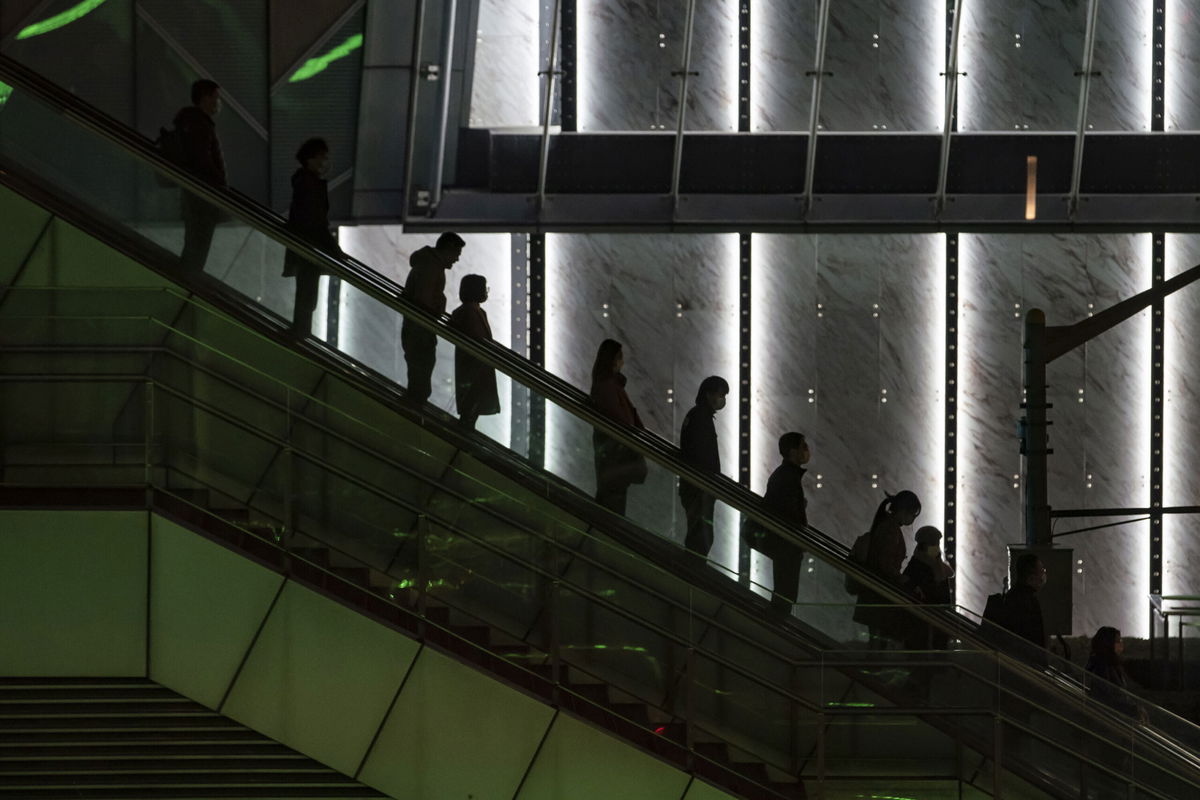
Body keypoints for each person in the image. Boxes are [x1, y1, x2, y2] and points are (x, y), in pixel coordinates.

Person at [744, 432, 810, 614]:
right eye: (803, 446)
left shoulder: (785, 475)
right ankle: (777, 624)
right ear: (792, 451)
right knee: (785, 593)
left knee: (783, 591)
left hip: (784, 543)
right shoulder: (788, 477)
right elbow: (786, 513)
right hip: (786, 544)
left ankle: (778, 620)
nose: (807, 451)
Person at [283, 137, 341, 336]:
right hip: (309, 247)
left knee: (305, 293)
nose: (325, 162)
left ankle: (300, 331)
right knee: (308, 294)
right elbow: (317, 221)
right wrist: (336, 251)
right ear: (311, 159)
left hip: (304, 246)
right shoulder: (311, 185)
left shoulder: (303, 182)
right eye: (322, 157)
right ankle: (301, 333)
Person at [402, 232, 465, 403]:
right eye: (456, 254)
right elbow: (425, 302)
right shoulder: (431, 268)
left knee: (418, 378)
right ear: (448, 249)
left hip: (415, 329)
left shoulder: (427, 263)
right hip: (420, 332)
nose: (457, 259)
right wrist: (440, 304)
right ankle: (414, 417)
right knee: (420, 381)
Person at [852, 491, 921, 645]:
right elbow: (886, 564)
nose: (912, 520)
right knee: (879, 639)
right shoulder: (891, 530)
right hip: (880, 592)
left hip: (874, 590)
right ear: (903, 511)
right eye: (912, 515)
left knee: (876, 638)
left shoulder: (884, 524)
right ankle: (875, 666)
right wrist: (901, 578)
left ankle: (873, 665)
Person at [174, 79, 226, 272]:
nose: (218, 102)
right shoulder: (200, 125)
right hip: (203, 199)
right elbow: (203, 161)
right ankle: (189, 286)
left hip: (194, 198)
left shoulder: (188, 123)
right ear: (205, 98)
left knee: (193, 246)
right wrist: (220, 184)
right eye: (216, 97)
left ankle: (188, 283)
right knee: (198, 248)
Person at [589, 339, 646, 514]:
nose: (623, 362)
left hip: (613, 459)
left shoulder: (610, 385)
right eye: (620, 358)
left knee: (611, 507)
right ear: (613, 360)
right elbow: (620, 420)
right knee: (611, 511)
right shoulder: (607, 387)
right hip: (615, 459)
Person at [679, 376, 728, 561]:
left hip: (696, 487)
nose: (722, 399)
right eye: (720, 394)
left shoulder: (697, 415)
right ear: (708, 394)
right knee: (701, 536)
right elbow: (700, 454)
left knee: (700, 534)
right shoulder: (701, 417)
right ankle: (694, 574)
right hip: (699, 488)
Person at [448, 274, 500, 429]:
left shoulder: (471, 311)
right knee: (472, 403)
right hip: (475, 366)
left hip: (474, 365)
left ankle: (467, 428)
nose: (486, 292)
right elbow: (476, 337)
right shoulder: (471, 312)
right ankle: (465, 432)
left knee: (472, 405)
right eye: (485, 288)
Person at [903, 526, 953, 649]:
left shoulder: (936, 564)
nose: (937, 547)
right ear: (925, 545)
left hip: (935, 619)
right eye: (934, 543)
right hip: (922, 620)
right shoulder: (918, 565)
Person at [1085, 626, 1145, 722]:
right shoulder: (1103, 666)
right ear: (1108, 644)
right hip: (1109, 719)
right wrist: (1132, 709)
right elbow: (1107, 697)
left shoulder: (1110, 664)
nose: (1121, 643)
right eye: (1118, 641)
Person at [1005, 553, 1048, 653]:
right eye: (1041, 572)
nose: (1043, 576)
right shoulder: (1028, 602)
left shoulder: (1012, 596)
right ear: (1031, 578)